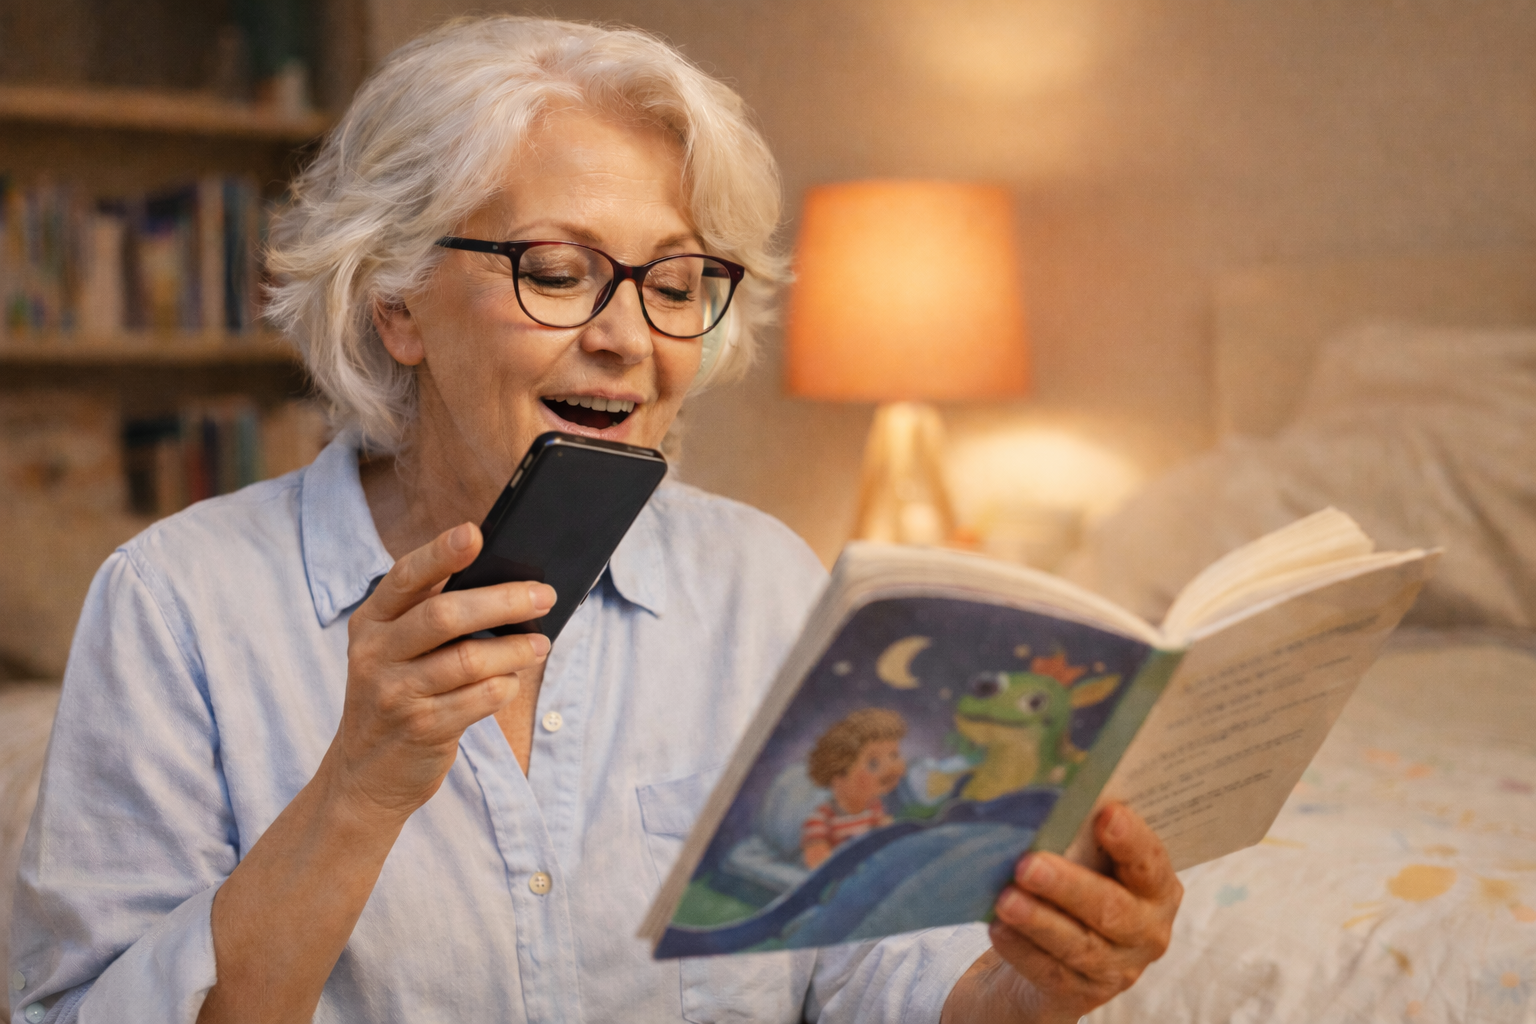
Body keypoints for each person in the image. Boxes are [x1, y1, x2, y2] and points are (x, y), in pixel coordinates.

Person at [10, 16, 1181, 1024]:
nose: (631, 336)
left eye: (674, 284)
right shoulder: (179, 602)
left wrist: (1032, 991)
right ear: (397, 305)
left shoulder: (763, 583)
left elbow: (874, 979)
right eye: (559, 271)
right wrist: (358, 790)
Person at [801, 708, 906, 869]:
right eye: (873, 763)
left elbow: (889, 841)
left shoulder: (874, 809)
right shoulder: (822, 820)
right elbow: (817, 864)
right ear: (838, 778)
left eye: (894, 755)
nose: (891, 768)